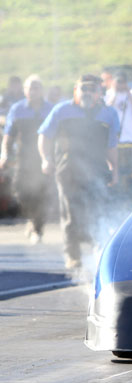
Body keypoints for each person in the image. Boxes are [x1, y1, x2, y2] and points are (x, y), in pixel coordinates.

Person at [38, 74, 120, 269]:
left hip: (97, 170)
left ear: (100, 92)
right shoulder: (62, 110)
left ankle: (99, 250)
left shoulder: (109, 114)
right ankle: (72, 255)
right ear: (76, 90)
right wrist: (45, 159)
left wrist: (115, 168)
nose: (87, 93)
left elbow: (111, 146)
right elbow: (44, 136)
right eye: (83, 88)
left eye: (92, 89)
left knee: (98, 211)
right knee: (71, 213)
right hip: (68, 170)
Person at [0, 75, 53, 243]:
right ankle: (31, 218)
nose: (33, 91)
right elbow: (8, 135)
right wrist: (4, 155)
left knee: (43, 194)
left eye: (36, 88)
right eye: (30, 88)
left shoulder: (51, 109)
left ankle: (38, 228)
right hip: (24, 158)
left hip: (44, 158)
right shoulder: (17, 109)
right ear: (24, 90)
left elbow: (59, 135)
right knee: (21, 192)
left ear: (42, 90)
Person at [104, 72, 132, 204]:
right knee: (116, 172)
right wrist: (115, 94)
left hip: (131, 141)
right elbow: (105, 113)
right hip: (115, 142)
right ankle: (117, 199)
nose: (121, 84)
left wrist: (129, 95)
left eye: (123, 82)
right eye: (118, 82)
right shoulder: (109, 94)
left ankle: (131, 199)